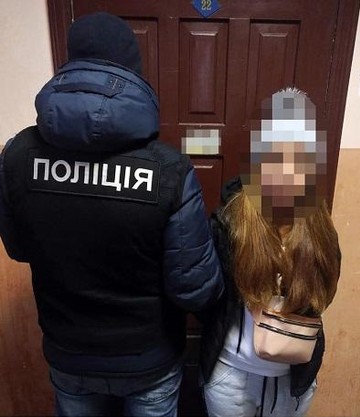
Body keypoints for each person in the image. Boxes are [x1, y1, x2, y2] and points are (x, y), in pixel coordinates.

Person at [0, 12, 224, 417]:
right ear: (132, 71)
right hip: (149, 359)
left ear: (70, 63)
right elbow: (195, 289)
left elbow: (18, 248)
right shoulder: (169, 171)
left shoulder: (16, 157)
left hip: (69, 354)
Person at [200, 88, 341, 417]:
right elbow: (208, 297)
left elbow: (326, 289)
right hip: (231, 376)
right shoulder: (231, 217)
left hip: (293, 381)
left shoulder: (319, 223)